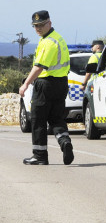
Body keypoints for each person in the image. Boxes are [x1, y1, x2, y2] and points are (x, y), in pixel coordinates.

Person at [19, 10, 74, 165]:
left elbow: (39, 67)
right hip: (61, 83)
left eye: (41, 25)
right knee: (56, 118)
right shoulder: (58, 39)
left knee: (38, 120)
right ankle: (64, 141)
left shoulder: (48, 42)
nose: (38, 28)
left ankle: (40, 155)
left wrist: (25, 84)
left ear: (49, 23)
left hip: (45, 85)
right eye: (35, 26)